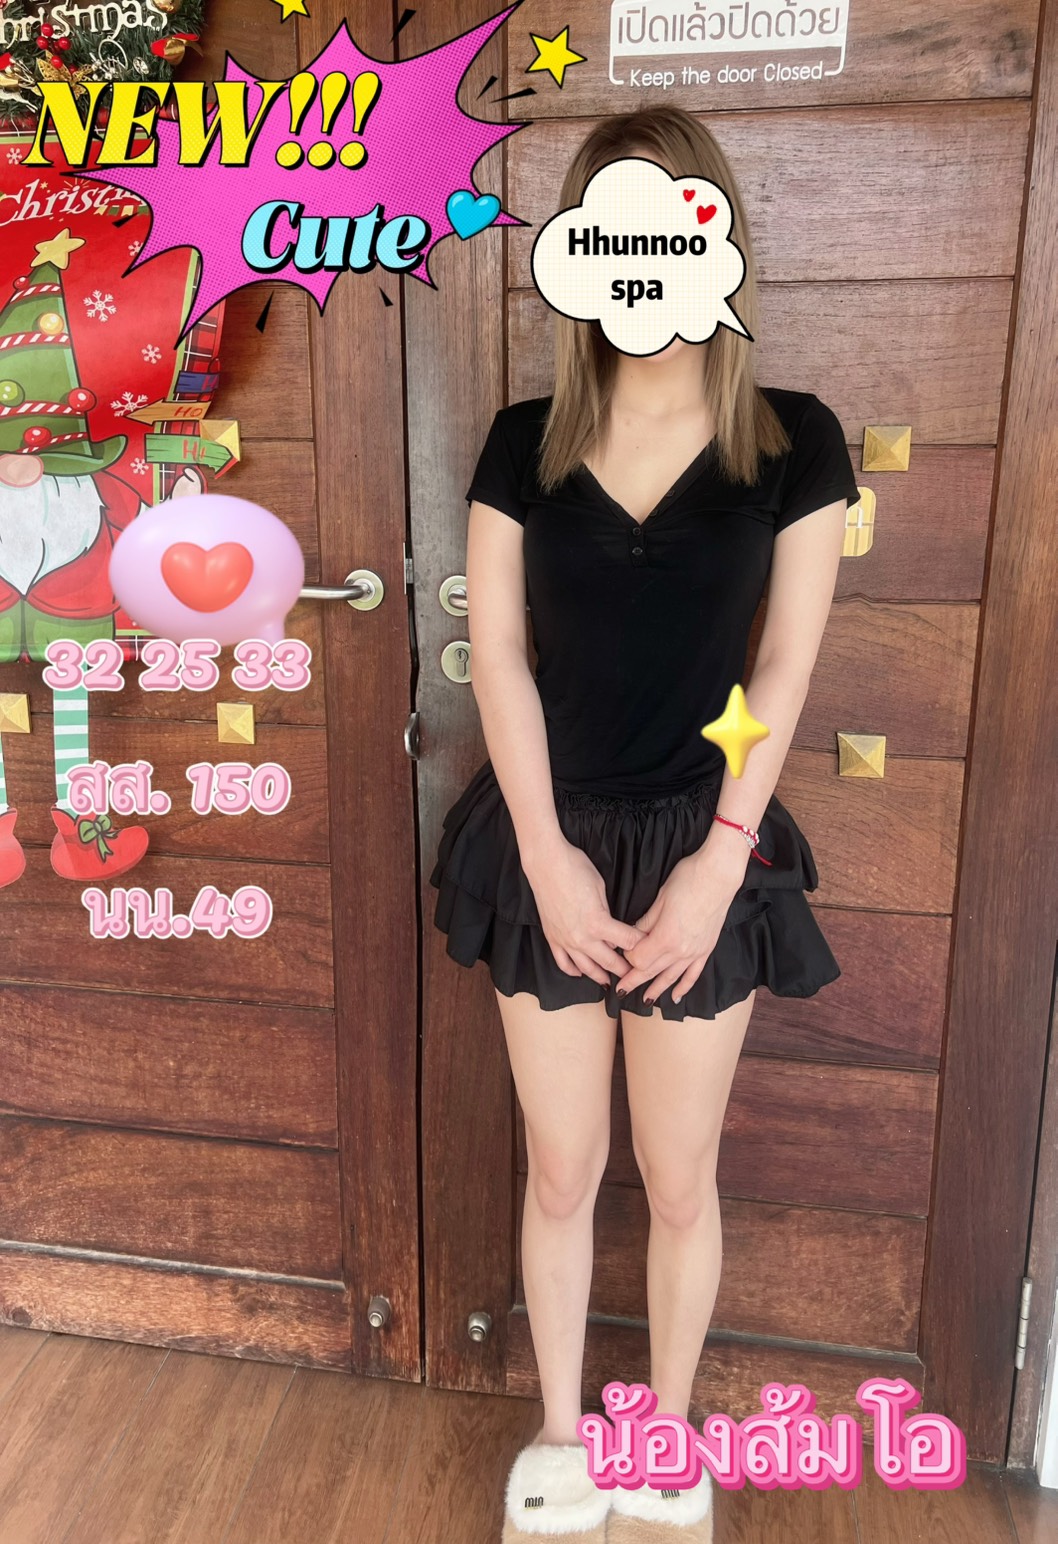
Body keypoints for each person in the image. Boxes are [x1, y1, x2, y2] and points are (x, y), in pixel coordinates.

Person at [429, 104, 860, 1544]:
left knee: (678, 1180)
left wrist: (719, 862)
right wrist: (544, 856)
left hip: (703, 842)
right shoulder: (524, 442)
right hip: (545, 840)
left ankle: (665, 1436)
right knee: (563, 1169)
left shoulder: (791, 443)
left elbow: (779, 672)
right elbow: (497, 657)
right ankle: (562, 1436)